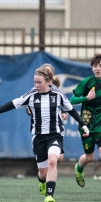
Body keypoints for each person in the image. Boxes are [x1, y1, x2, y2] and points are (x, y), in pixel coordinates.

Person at [0, 67, 89, 202]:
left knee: (53, 161)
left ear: (48, 81)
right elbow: (10, 105)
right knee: (43, 173)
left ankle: (49, 196)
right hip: (38, 138)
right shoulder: (31, 95)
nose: (36, 85)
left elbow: (71, 110)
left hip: (55, 135)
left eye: (39, 82)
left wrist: (83, 125)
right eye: (35, 82)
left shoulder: (58, 95)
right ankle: (42, 181)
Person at [69, 54, 101, 200]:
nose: (98, 68)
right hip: (87, 124)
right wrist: (87, 98)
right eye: (95, 65)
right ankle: (79, 168)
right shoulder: (86, 82)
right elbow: (71, 100)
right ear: (92, 67)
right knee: (89, 157)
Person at [26, 64, 68, 195]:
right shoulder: (36, 88)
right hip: (40, 131)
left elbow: (65, 105)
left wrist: (64, 113)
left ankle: (50, 193)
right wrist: (29, 110)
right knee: (45, 170)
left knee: (57, 158)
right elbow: (28, 106)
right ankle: (42, 179)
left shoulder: (57, 90)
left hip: (56, 129)